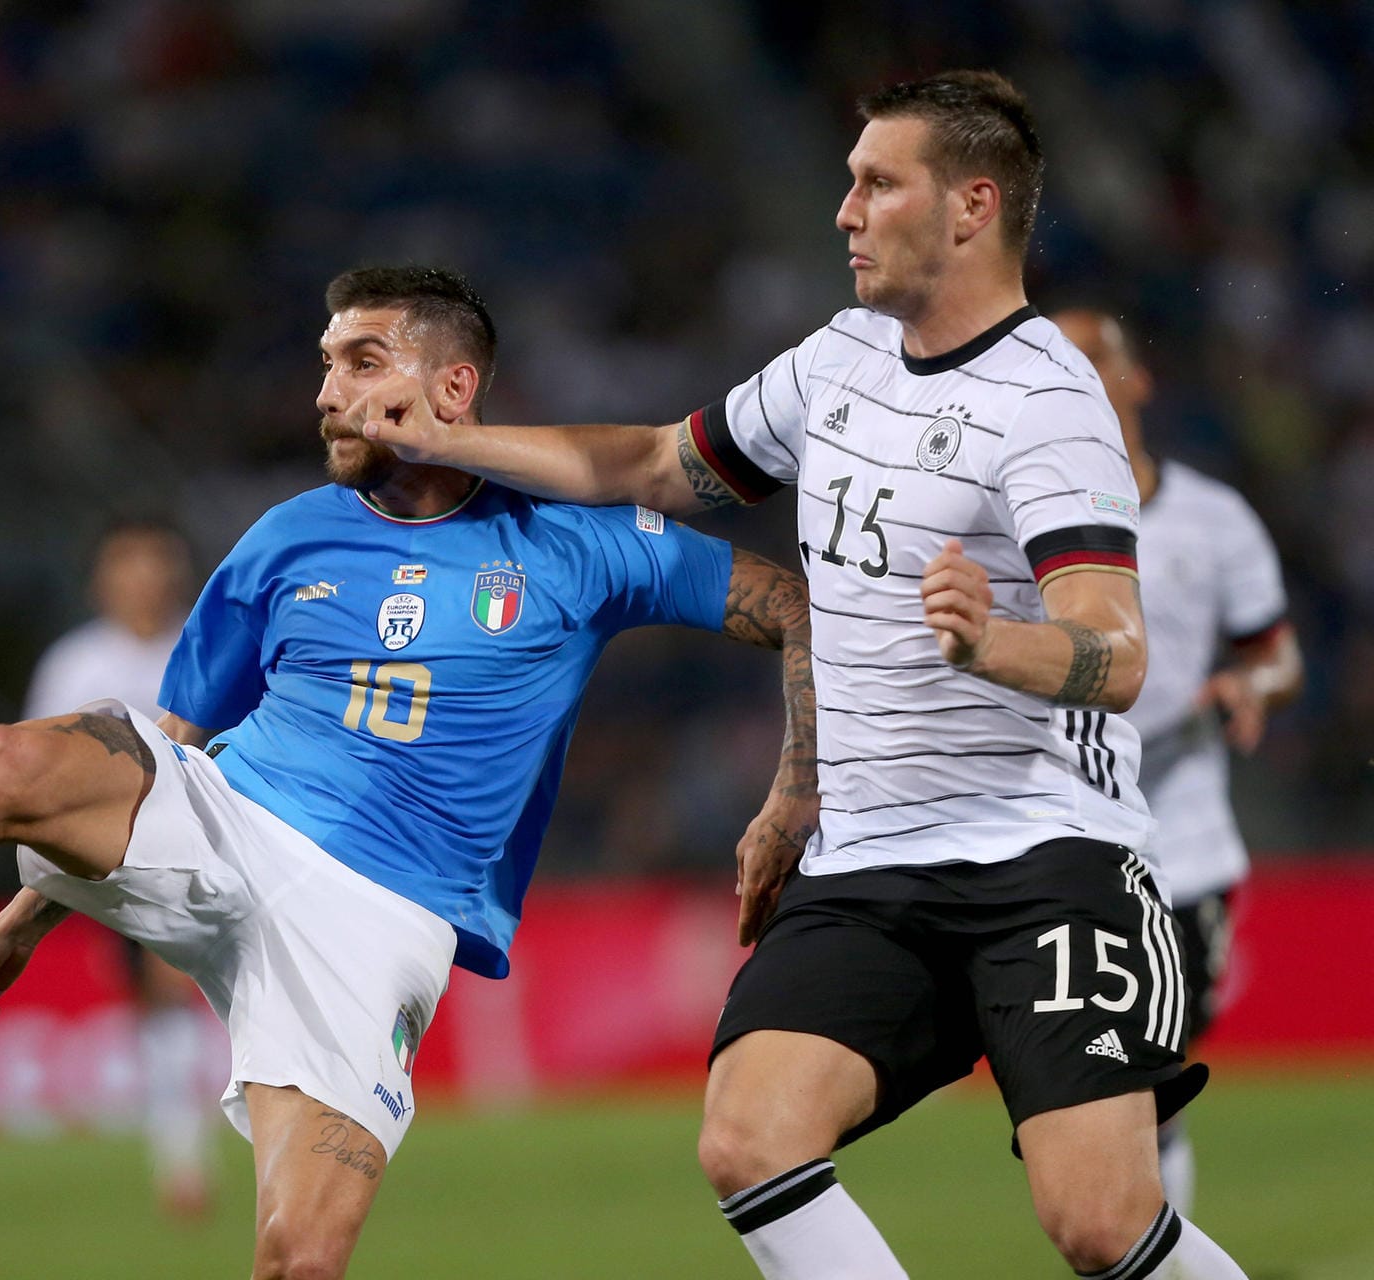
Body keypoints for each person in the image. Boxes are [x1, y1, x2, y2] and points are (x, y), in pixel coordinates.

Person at [0, 265, 816, 1279]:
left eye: (362, 361)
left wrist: (792, 790)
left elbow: (800, 605)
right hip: (227, 819)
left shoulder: (586, 542)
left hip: (379, 918)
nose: (326, 388)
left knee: (298, 1254)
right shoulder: (285, 539)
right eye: (324, 361)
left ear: (454, 386)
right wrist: (22, 916)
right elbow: (180, 740)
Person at [355, 73, 1249, 1279]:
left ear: (972, 206)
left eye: (878, 183)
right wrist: (449, 440)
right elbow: (661, 464)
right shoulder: (839, 358)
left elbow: (1116, 650)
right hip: (873, 862)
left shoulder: (1049, 402)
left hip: (1043, 859)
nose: (845, 210)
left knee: (1097, 1224)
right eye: (847, 181)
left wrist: (995, 641)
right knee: (748, 1134)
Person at [1052, 307, 1304, 1214]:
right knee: (1096, 1099)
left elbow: (1276, 651)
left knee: (1142, 1087)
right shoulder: (1018, 524)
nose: (1068, 377)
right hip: (1063, 841)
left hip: (1181, 847)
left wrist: (1251, 688)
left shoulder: (1212, 520)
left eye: (1087, 360)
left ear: (1136, 379)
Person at [24, 516, 222, 1218]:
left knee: (180, 997)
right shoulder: (74, 667)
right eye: (127, 565)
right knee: (159, 1009)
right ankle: (182, 1158)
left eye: (156, 564)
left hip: (216, 850)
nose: (143, 580)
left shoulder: (208, 650)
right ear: (102, 580)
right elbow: (39, 775)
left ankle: (192, 1166)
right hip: (113, 862)